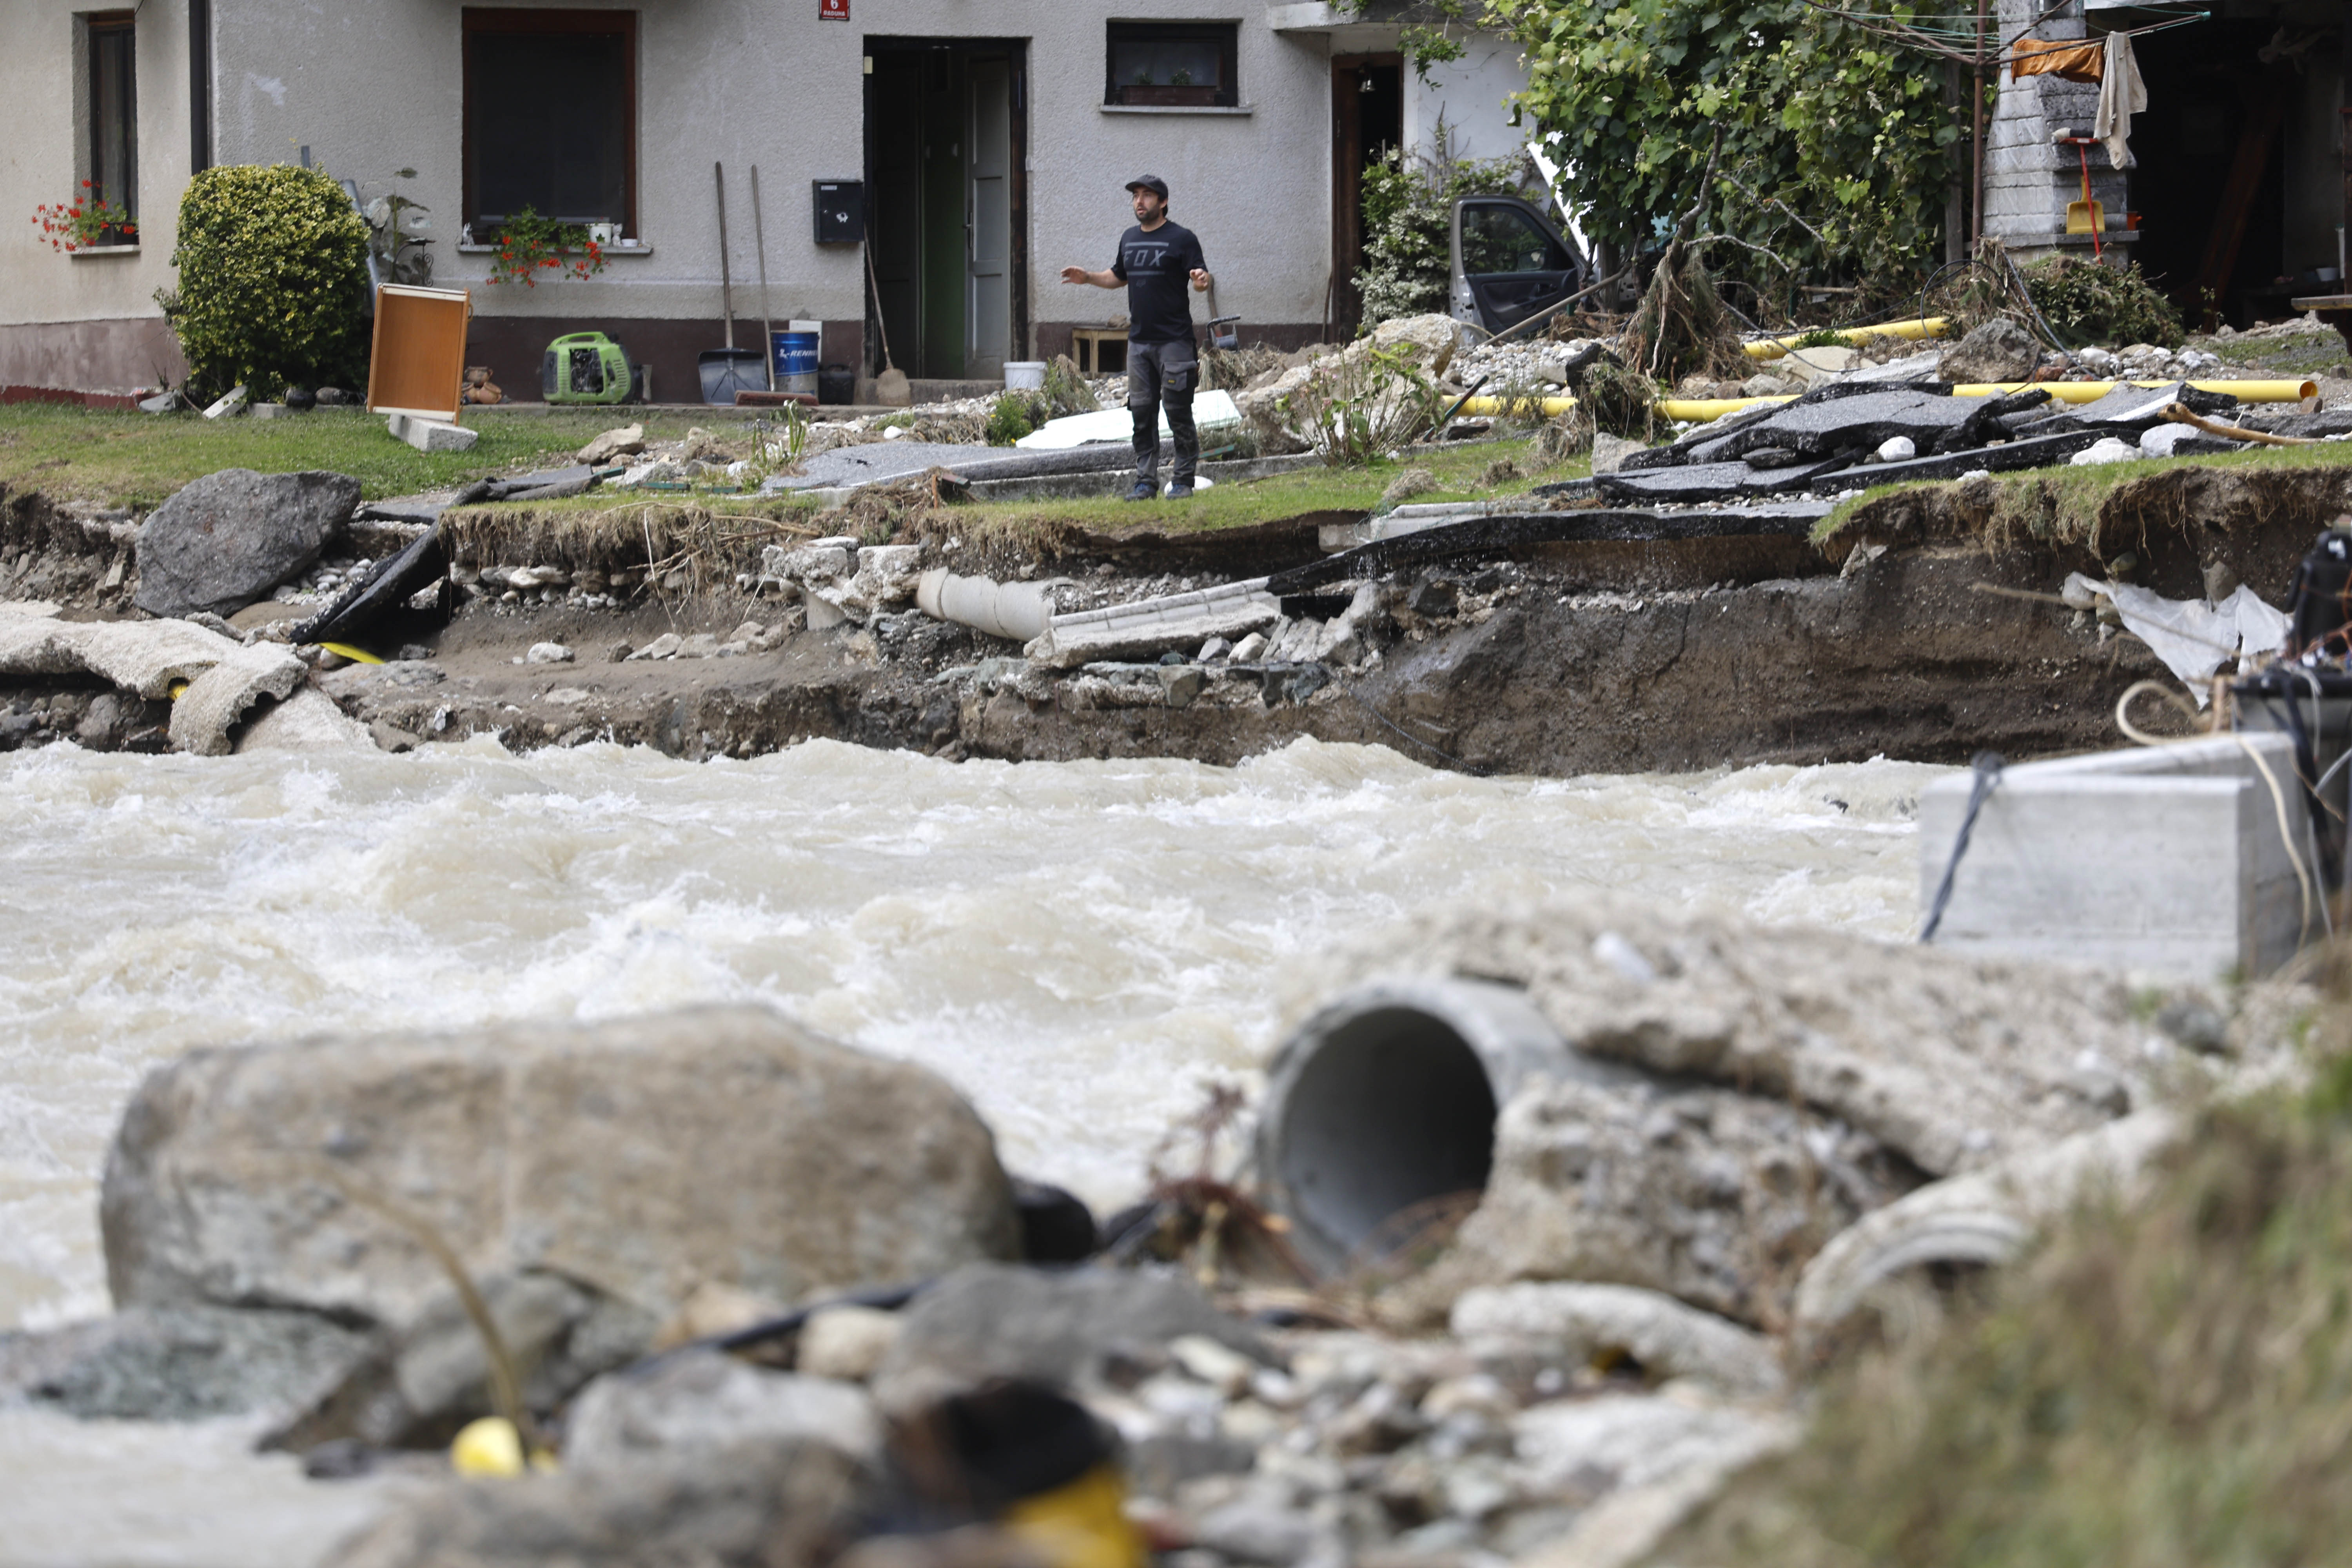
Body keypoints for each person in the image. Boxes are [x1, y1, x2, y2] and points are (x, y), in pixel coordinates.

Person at [1060, 176, 1212, 501]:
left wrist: (1202, 280)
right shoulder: (1129, 238)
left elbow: (1200, 279)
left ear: (1163, 202)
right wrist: (1087, 278)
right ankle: (1145, 482)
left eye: (1147, 196)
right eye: (1136, 197)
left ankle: (1183, 480)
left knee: (1178, 411)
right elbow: (1118, 276)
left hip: (1175, 341)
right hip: (1139, 344)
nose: (1139, 202)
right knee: (1142, 415)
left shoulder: (1183, 238)